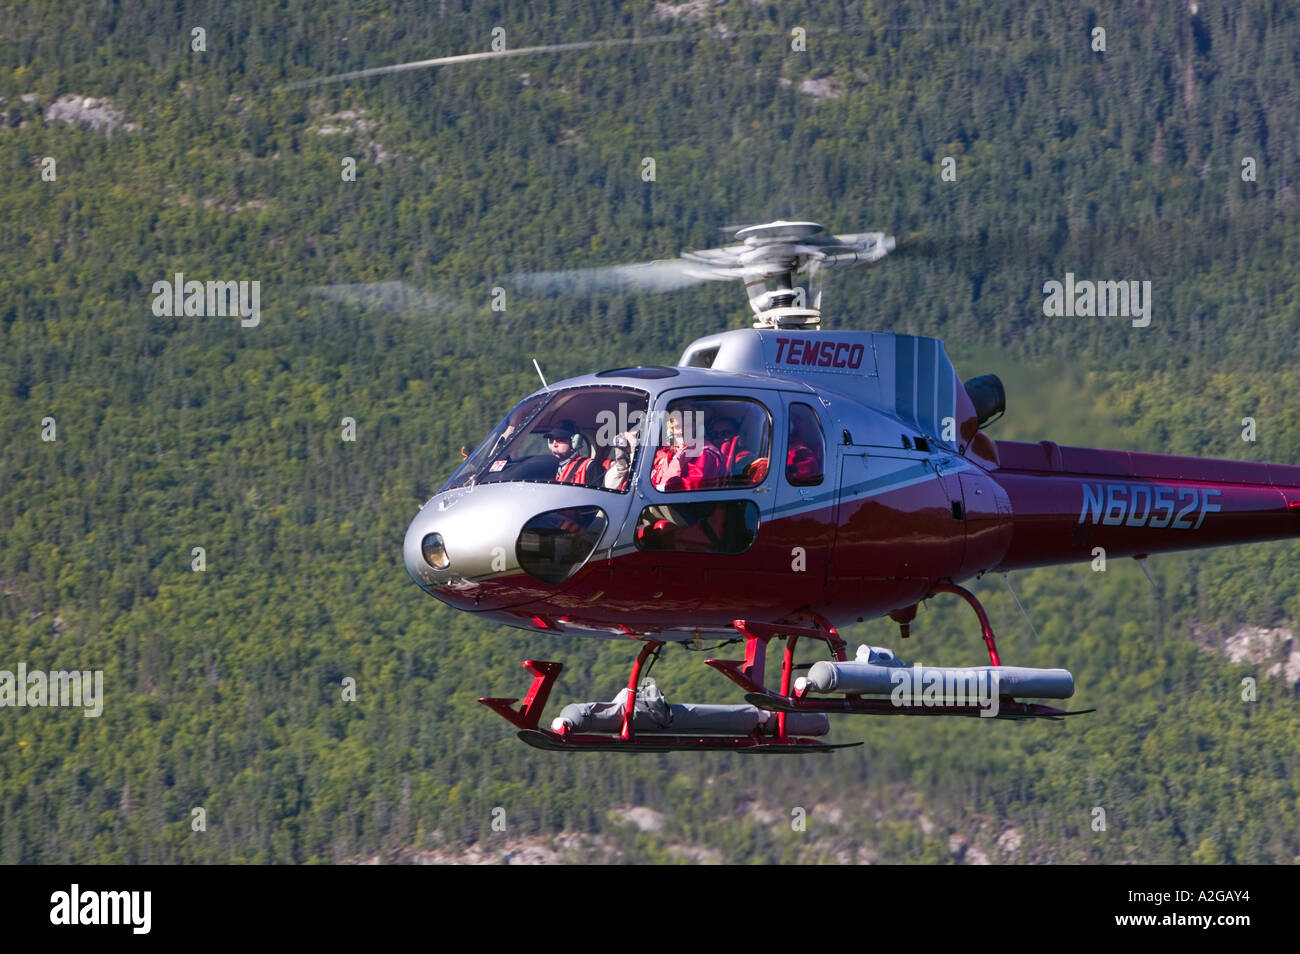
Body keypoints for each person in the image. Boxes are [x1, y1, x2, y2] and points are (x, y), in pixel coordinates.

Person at [651, 406, 724, 492]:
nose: (682, 431)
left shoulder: (704, 453)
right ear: (672, 430)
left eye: (687, 426)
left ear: (695, 427)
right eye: (678, 426)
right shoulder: (668, 453)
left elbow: (694, 484)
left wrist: (661, 488)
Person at [547, 420, 604, 488]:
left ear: (575, 442)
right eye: (551, 440)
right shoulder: (547, 468)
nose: (554, 444)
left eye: (560, 439)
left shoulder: (590, 467)